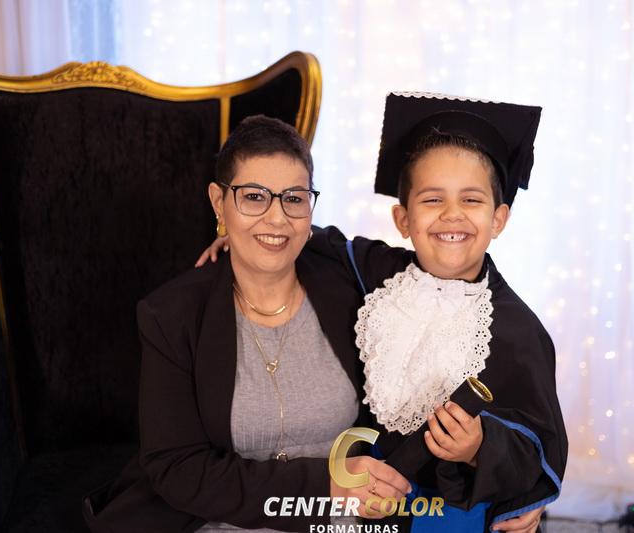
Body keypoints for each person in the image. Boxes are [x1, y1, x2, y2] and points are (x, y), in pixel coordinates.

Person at [200, 93, 567, 533]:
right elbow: (317, 239)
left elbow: (538, 447)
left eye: (471, 200)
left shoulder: (517, 330)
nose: (452, 216)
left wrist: (478, 449)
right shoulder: (380, 275)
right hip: (367, 502)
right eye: (432, 200)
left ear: (499, 219)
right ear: (403, 220)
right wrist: (247, 235)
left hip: (451, 516)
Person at [83, 115, 413, 533]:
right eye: (254, 197)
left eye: (294, 199)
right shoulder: (172, 316)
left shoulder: (352, 287)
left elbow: (452, 279)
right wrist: (323, 486)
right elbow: (178, 468)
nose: (277, 218)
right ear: (218, 202)